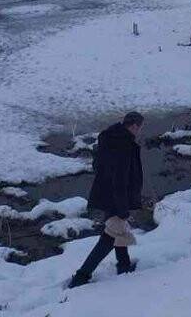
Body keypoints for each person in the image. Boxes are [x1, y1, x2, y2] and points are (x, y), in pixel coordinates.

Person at [69, 112, 145, 288]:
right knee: (110, 237)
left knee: (118, 231)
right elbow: (120, 178)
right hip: (115, 197)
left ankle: (124, 266)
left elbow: (98, 166)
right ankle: (81, 276)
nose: (140, 131)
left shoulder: (110, 138)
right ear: (134, 126)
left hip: (105, 194)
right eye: (140, 127)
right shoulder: (124, 145)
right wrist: (122, 207)